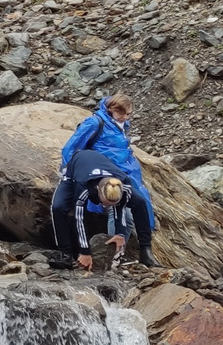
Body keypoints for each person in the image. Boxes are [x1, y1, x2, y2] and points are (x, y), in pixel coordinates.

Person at [56, 93, 158, 262]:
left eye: (128, 114)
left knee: (133, 210)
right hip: (105, 173)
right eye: (121, 113)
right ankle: (114, 253)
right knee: (118, 210)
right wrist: (70, 171)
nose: (125, 117)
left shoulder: (121, 124)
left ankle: (132, 251)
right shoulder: (95, 123)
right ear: (111, 109)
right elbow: (72, 147)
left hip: (125, 172)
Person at [51, 149, 155, 269]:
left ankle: (146, 251)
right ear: (97, 190)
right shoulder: (84, 186)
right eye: (104, 203)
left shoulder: (124, 184)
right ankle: (65, 254)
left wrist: (120, 234)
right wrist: (85, 252)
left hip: (102, 167)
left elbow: (120, 208)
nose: (105, 207)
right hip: (75, 172)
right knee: (57, 207)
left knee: (140, 202)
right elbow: (79, 218)